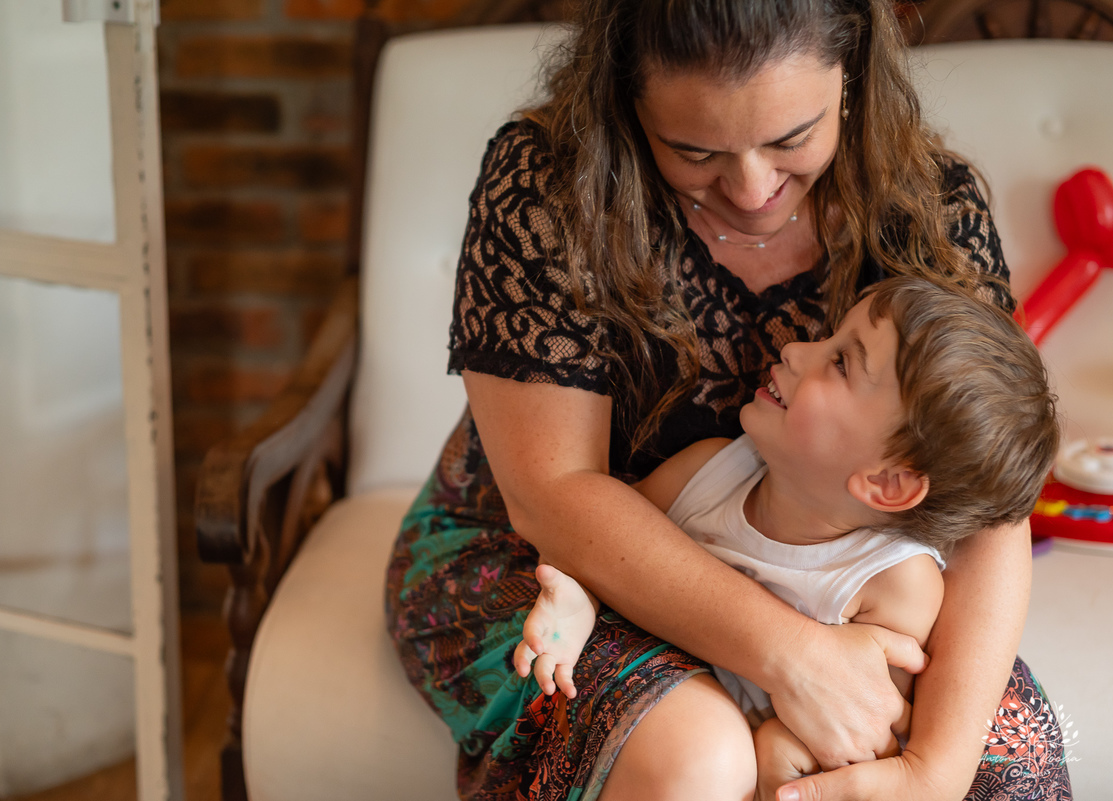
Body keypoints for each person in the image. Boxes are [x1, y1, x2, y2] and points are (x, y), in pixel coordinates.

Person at [384, 0, 1073, 798]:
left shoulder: (928, 204)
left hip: (828, 574)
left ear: (850, 76)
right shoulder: (549, 184)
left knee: (1001, 769)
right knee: (697, 753)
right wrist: (795, 659)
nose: (751, 189)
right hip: (552, 553)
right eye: (694, 149)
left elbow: (989, 505)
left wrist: (934, 771)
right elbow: (556, 496)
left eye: (791, 139)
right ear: (628, 99)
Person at [512, 276, 1060, 801]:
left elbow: (867, 724)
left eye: (841, 361)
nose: (797, 349)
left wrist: (781, 746)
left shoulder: (895, 585)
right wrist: (579, 602)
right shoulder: (706, 473)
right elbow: (608, 549)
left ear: (887, 482)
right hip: (678, 735)